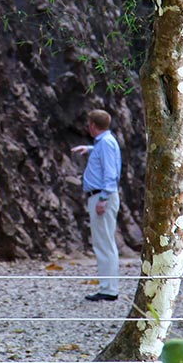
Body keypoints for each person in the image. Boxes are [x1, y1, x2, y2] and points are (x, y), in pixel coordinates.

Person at [71, 109, 123, 302]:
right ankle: (107, 286)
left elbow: (110, 173)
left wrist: (103, 199)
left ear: (93, 125)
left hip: (102, 196)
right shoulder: (104, 142)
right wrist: (89, 149)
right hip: (101, 195)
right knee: (103, 241)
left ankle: (109, 288)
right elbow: (105, 157)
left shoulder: (106, 144)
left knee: (104, 243)